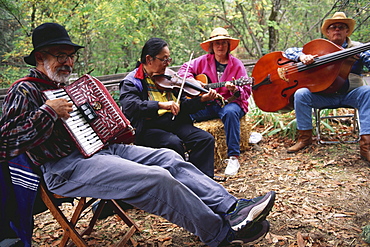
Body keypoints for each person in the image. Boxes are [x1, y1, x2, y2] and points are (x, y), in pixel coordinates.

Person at [0, 22, 276, 246]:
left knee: (169, 159)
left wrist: (110, 125)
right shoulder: (24, 90)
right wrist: (48, 111)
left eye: (70, 56)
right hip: (65, 167)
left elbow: (87, 124)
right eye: (60, 55)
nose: (68, 62)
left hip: (102, 149)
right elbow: (7, 142)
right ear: (40, 57)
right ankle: (219, 233)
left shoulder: (69, 88)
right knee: (156, 178)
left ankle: (232, 208)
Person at [119, 37, 219, 178]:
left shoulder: (169, 78)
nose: (167, 64)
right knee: (173, 143)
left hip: (173, 122)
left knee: (204, 139)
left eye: (168, 60)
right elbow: (131, 107)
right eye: (164, 59)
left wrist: (202, 100)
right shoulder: (132, 81)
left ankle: (202, 182)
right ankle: (181, 183)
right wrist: (160, 105)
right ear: (149, 59)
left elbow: (183, 106)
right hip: (148, 127)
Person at [284, 12, 370, 160]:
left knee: (367, 92)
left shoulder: (358, 47)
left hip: (350, 94)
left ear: (347, 31)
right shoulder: (320, 47)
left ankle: (366, 146)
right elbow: (288, 52)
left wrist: (363, 56)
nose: (337, 30)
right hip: (324, 96)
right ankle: (305, 139)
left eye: (341, 27)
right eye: (333, 27)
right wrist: (302, 57)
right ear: (328, 32)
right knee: (301, 94)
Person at [177, 27, 252, 176]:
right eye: (217, 43)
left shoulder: (237, 64)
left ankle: (233, 157)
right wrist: (194, 82)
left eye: (224, 43)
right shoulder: (202, 61)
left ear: (228, 45)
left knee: (230, 113)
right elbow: (183, 71)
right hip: (209, 103)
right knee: (184, 112)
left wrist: (235, 90)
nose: (220, 46)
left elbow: (246, 91)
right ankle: (185, 152)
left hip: (230, 103)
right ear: (211, 46)